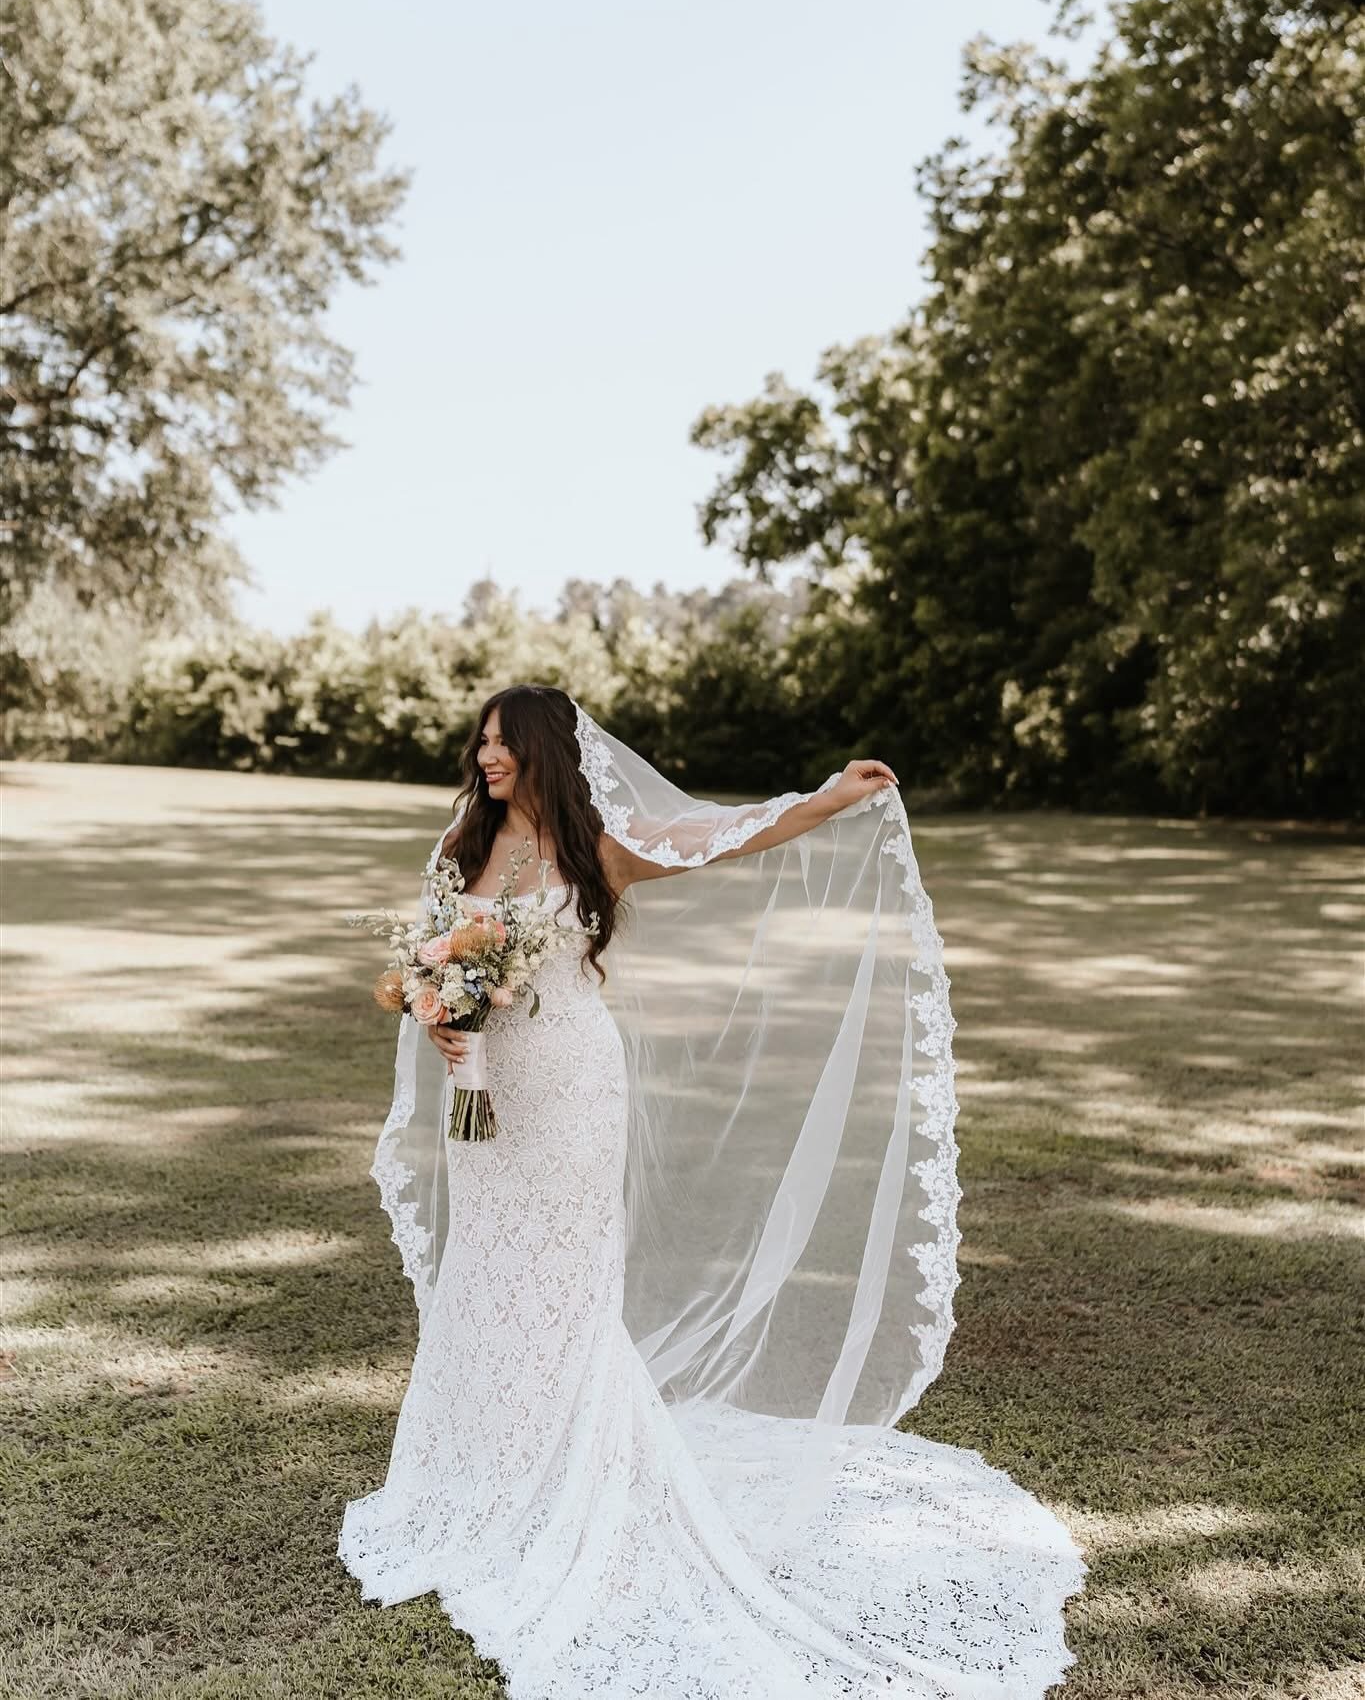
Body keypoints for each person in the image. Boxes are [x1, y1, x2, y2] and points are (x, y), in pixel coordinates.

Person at [338, 683, 1085, 1699]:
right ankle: (485, 1470)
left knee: (562, 1283)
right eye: (483, 739)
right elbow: (433, 960)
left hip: (573, 1092)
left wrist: (823, 798)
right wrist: (439, 1014)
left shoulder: (597, 848)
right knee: (487, 1269)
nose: (486, 754)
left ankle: (572, 1478)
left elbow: (716, 837)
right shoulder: (463, 849)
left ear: (550, 753)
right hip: (487, 1099)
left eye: (505, 742)